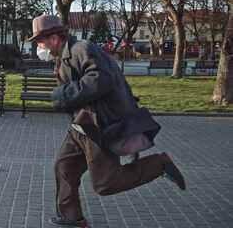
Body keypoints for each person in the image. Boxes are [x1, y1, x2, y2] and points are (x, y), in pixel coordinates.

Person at [28, 14, 186, 228]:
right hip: (81, 126)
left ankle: (159, 164)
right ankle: (71, 217)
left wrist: (63, 95)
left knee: (105, 184)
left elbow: (100, 80)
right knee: (64, 167)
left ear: (54, 38)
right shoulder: (64, 56)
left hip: (98, 127)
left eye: (40, 41)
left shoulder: (81, 49)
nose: (39, 47)